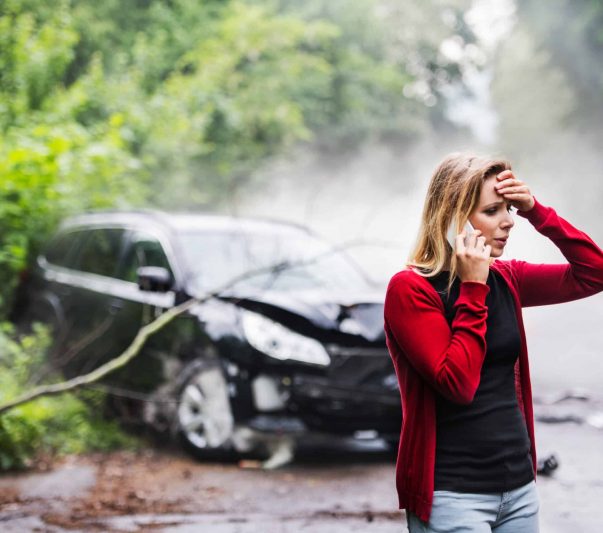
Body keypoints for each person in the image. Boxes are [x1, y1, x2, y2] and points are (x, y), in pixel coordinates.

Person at [383, 153, 603, 532]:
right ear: (452, 219)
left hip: (518, 490)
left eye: (510, 209)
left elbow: (594, 272)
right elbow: (458, 383)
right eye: (492, 211)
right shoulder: (410, 290)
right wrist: (472, 287)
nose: (508, 222)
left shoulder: (507, 279)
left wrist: (537, 211)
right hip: (452, 497)